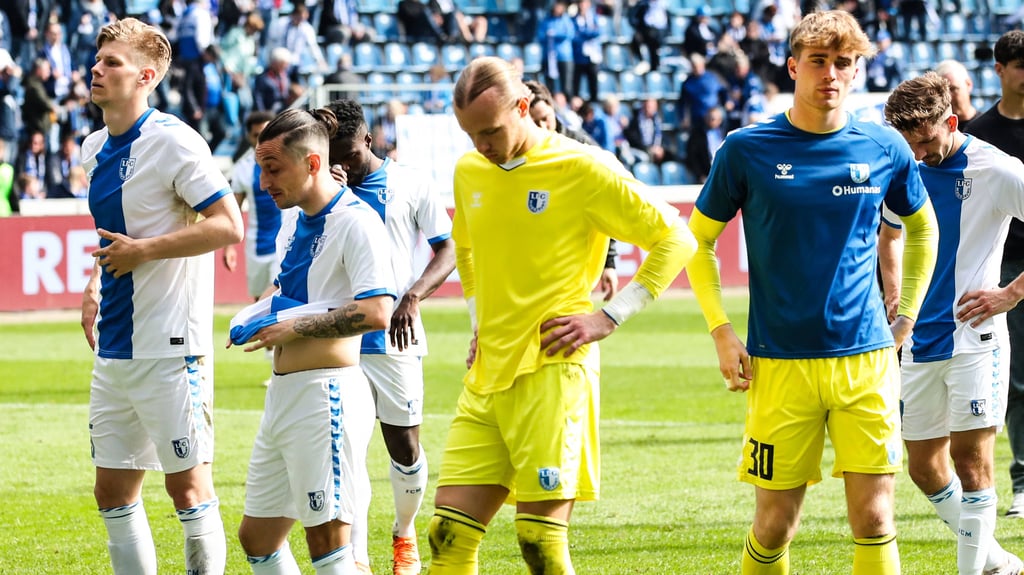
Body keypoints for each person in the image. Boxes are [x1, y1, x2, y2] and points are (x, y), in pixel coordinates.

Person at [684, 11, 939, 574]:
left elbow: (923, 226)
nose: (831, 73)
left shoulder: (884, 146)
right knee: (775, 525)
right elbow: (697, 242)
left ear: (856, 71)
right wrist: (722, 332)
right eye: (819, 61)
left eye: (843, 63)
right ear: (794, 66)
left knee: (874, 520)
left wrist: (908, 317)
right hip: (780, 366)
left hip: (867, 360)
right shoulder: (746, 149)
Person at [427, 55, 696, 574]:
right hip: (487, 376)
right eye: (469, 134)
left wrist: (608, 317)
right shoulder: (470, 170)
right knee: (447, 537)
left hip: (553, 370)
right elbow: (469, 253)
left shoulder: (584, 167)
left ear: (524, 107)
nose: (480, 145)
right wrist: (479, 322)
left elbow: (676, 237)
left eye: (490, 131)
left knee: (539, 544)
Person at [79, 17, 244, 575]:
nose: (97, 69)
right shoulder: (92, 146)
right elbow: (114, 236)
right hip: (115, 350)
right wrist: (95, 281)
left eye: (112, 63)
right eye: (98, 60)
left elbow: (228, 224)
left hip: (172, 346)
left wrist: (143, 253)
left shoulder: (174, 141)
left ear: (146, 75)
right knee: (112, 492)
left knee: (189, 490)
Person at [230, 107, 395, 575]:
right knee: (257, 536)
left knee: (328, 542)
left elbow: (377, 311)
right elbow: (289, 291)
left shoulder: (356, 221)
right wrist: (255, 313)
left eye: (273, 169)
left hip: (327, 395)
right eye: (261, 168)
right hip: (285, 395)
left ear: (313, 164)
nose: (263, 183)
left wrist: (294, 329)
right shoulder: (294, 220)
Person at [882, 71, 1024, 575]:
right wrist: (894, 289)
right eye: (908, 145)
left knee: (971, 459)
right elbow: (891, 234)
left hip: (975, 339)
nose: (917, 154)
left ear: (951, 120)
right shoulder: (905, 166)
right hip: (919, 338)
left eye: (924, 141)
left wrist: (1011, 293)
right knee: (922, 465)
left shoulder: (998, 169)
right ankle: (997, 562)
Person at [324, 97, 456, 575]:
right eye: (333, 159)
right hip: (341, 336)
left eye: (350, 156)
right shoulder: (324, 189)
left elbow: (448, 249)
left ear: (368, 139)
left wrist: (414, 295)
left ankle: (403, 534)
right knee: (346, 447)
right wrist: (331, 197)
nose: (344, 167)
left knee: (405, 449)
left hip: (396, 338)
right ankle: (355, 556)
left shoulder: (411, 182)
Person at [963, 29, 1024, 519]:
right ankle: (1023, 480)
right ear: (999, 70)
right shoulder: (979, 134)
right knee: (1019, 380)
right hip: (1004, 267)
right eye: (1019, 64)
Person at [524, 78, 620, 300]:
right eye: (534, 122)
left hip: (575, 263)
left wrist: (610, 263)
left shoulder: (583, 149)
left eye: (545, 119)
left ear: (554, 110)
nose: (542, 128)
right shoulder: (521, 156)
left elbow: (608, 203)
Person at [223, 110, 280, 303]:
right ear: (249, 136)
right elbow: (234, 209)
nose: (261, 139)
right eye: (256, 135)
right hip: (256, 245)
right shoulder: (243, 168)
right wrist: (229, 247)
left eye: (266, 133)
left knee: (279, 299)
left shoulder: (288, 162)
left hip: (284, 244)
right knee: (259, 303)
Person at [936, 59, 980, 128]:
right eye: (942, 92)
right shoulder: (938, 133)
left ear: (968, 84)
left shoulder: (986, 126)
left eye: (953, 89)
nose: (948, 97)